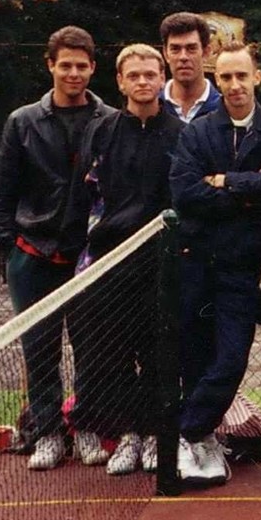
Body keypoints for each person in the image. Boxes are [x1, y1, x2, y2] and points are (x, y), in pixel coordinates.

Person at [169, 42, 261, 486]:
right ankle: (201, 440)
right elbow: (186, 193)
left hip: (242, 267)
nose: (235, 85)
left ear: (257, 77)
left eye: (242, 75)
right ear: (216, 79)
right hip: (195, 261)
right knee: (193, 357)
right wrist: (250, 189)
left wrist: (225, 182)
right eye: (225, 77)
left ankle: (185, 432)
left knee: (231, 357)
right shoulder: (198, 133)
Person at [0, 26, 114, 470]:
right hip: (33, 257)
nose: (74, 73)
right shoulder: (22, 121)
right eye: (66, 65)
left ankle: (87, 429)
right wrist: (14, 249)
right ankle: (47, 434)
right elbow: (1, 193)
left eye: (82, 65)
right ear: (50, 66)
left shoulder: (109, 120)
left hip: (88, 259)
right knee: (38, 351)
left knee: (91, 349)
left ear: (93, 68)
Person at [70, 44, 184, 475]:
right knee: (112, 354)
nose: (141, 82)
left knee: (157, 352)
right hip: (109, 262)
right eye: (132, 75)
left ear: (161, 78)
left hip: (160, 263)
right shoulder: (101, 131)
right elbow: (86, 195)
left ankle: (156, 435)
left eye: (149, 74)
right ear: (119, 81)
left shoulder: (179, 133)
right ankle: (128, 436)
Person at [159, 12, 222, 123]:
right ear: (165, 54)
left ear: (206, 52)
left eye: (191, 48)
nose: (183, 57)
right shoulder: (153, 108)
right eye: (175, 49)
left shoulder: (225, 109)